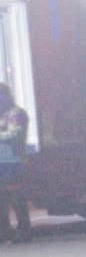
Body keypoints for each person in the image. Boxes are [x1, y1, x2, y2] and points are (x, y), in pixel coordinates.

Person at [0, 82, 30, 241]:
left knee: (17, 198)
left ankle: (24, 231)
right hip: (2, 164)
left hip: (13, 163)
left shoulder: (16, 114)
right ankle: (4, 231)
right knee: (2, 201)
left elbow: (15, 135)